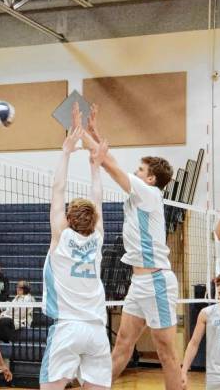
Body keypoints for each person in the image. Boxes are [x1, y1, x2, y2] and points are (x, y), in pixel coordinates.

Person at [83, 104, 179, 389]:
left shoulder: (149, 193)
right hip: (139, 282)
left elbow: (110, 165)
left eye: (140, 170)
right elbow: (108, 159)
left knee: (166, 353)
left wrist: (81, 136)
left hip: (158, 281)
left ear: (151, 179)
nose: (135, 173)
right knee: (122, 344)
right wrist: (93, 133)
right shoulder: (139, 195)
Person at [40, 119, 111, 390]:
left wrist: (66, 151)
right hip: (96, 329)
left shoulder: (61, 235)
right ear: (93, 219)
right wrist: (95, 168)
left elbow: (57, 189)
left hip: (67, 328)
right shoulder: (99, 237)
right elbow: (99, 198)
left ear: (69, 217)